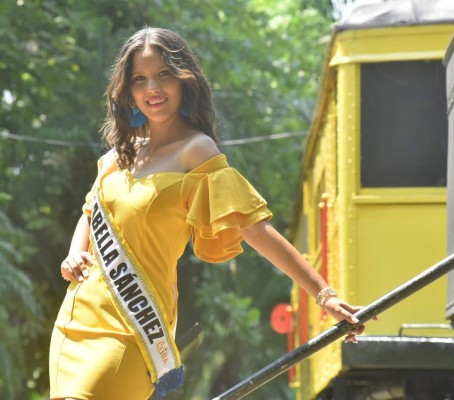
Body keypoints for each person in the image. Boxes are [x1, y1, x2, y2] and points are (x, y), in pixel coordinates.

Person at [49, 27, 365, 400]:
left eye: (163, 74)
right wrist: (75, 252)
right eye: (140, 79)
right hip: (76, 319)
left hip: (131, 328)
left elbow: (256, 230)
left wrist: (323, 294)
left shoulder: (197, 153)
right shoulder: (119, 156)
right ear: (128, 91)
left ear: (185, 81)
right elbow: (90, 213)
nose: (153, 87)